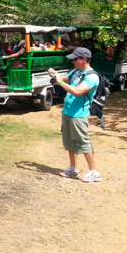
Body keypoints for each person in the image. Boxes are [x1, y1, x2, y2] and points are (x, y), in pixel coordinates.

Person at [48, 47, 101, 183]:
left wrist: (59, 82)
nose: (72, 62)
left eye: (75, 59)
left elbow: (77, 91)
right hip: (67, 112)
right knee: (70, 142)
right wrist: (55, 75)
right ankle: (72, 169)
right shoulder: (76, 72)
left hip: (79, 115)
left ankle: (94, 172)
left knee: (83, 143)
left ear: (84, 59)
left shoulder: (92, 77)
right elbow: (65, 79)